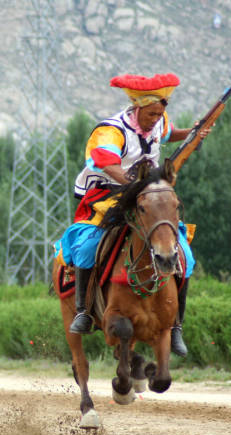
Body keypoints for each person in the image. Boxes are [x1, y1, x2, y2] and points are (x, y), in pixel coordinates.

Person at [55, 73, 211, 357]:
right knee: (88, 247)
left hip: (148, 196)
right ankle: (84, 311)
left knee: (184, 255)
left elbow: (168, 133)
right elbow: (105, 162)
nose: (156, 119)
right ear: (138, 108)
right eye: (151, 114)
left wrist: (192, 132)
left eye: (159, 114)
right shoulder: (111, 131)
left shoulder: (158, 120)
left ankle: (176, 326)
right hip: (108, 195)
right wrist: (132, 182)